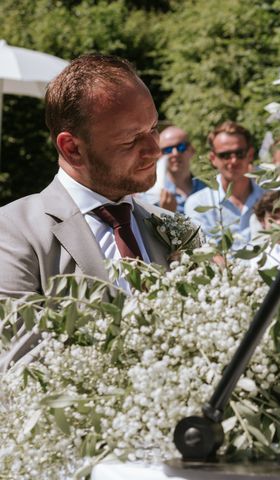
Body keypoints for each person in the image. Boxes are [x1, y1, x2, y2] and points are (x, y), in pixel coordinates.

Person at [0, 53, 172, 367]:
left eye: (153, 128)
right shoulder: (13, 231)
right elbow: (18, 365)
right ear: (72, 148)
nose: (154, 149)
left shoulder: (172, 227)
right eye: (131, 139)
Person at [184, 121, 264, 248]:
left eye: (239, 153)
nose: (233, 161)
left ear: (250, 154)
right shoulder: (198, 204)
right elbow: (206, 252)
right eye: (225, 155)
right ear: (213, 159)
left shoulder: (270, 197)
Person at [140, 126, 206, 213]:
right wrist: (165, 213)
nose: (175, 153)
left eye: (181, 147)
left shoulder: (207, 191)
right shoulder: (152, 195)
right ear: (159, 155)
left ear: (192, 150)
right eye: (168, 150)